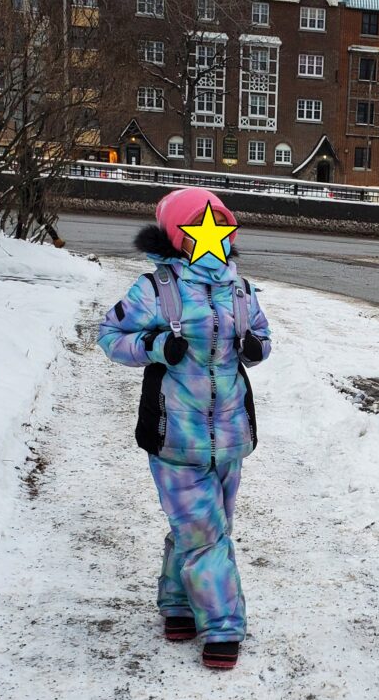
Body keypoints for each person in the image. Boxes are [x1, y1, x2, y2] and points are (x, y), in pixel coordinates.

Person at [97, 188, 271, 670]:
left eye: (220, 224)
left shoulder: (241, 289)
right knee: (204, 535)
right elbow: (109, 336)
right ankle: (223, 627)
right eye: (202, 224)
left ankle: (177, 604)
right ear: (180, 235)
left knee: (207, 530)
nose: (213, 233)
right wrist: (153, 346)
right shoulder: (155, 290)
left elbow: (263, 335)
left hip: (231, 435)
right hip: (176, 439)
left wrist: (255, 347)